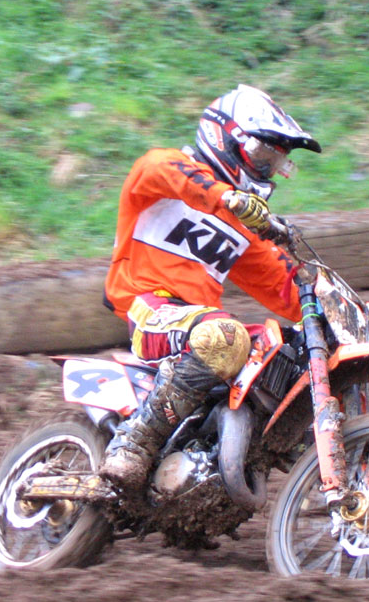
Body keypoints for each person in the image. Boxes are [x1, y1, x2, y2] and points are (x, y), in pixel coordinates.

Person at [99, 84, 321, 490]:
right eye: (262, 156)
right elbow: (163, 171)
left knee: (289, 355)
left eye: (275, 163)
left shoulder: (242, 230)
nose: (267, 170)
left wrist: (356, 319)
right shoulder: (164, 170)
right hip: (148, 307)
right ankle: (134, 442)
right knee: (225, 335)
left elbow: (286, 286)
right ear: (225, 138)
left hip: (198, 324)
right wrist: (226, 197)